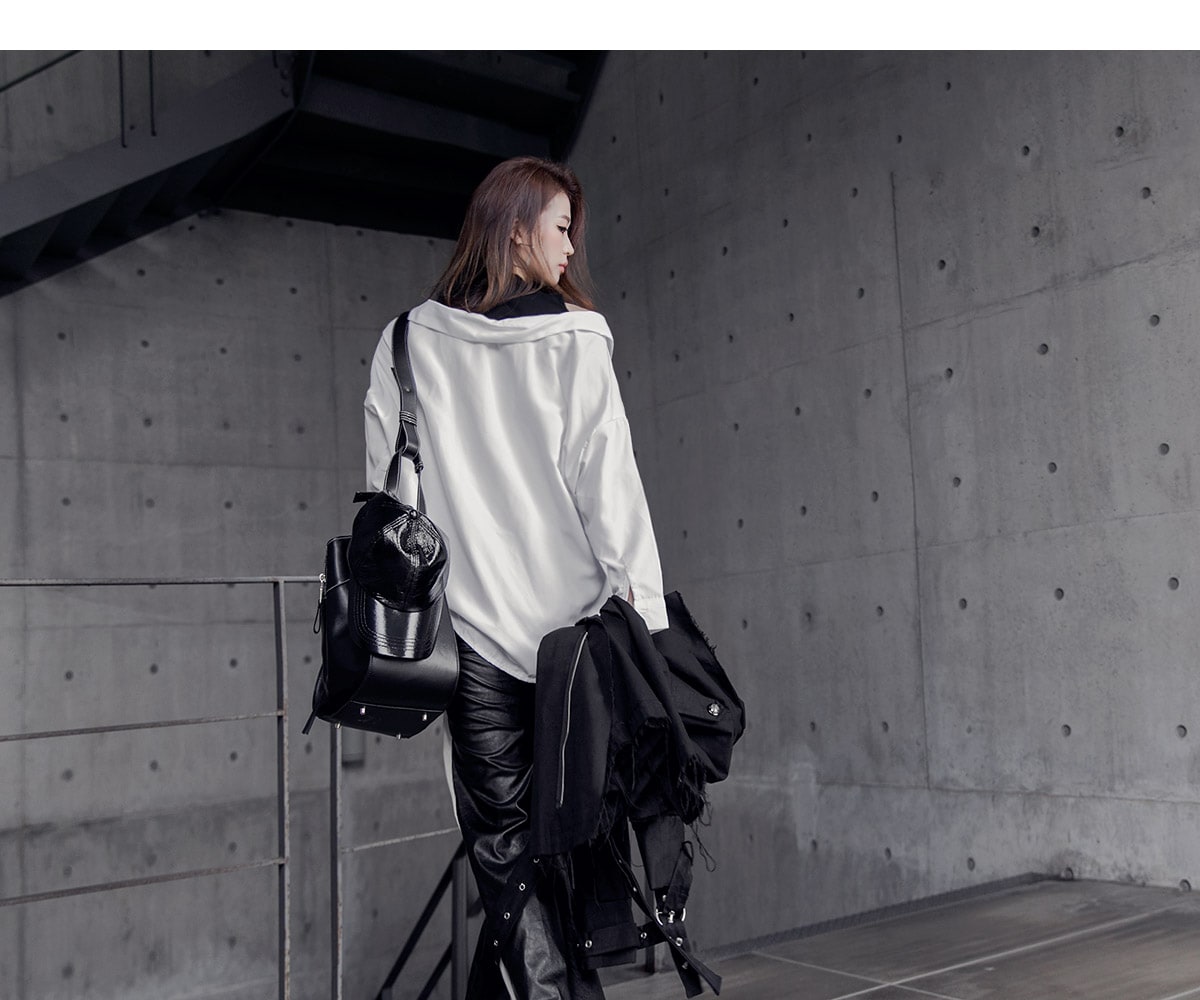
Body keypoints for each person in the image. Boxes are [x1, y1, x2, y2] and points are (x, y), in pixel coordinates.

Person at [363, 156, 669, 999]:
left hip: (470, 647)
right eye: (562, 228)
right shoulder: (577, 338)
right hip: (578, 646)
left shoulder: (405, 344)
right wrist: (648, 627)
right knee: (572, 847)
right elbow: (610, 489)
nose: (571, 248)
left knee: (505, 855)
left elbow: (394, 507)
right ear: (517, 227)